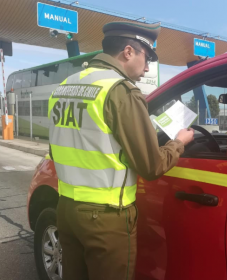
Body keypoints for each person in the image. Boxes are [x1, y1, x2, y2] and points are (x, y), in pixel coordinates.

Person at [48, 21, 194, 280]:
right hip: (104, 217)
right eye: (146, 57)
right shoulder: (121, 91)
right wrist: (178, 142)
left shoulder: (64, 87)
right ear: (128, 52)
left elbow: (64, 146)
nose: (147, 67)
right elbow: (151, 166)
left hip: (67, 209)